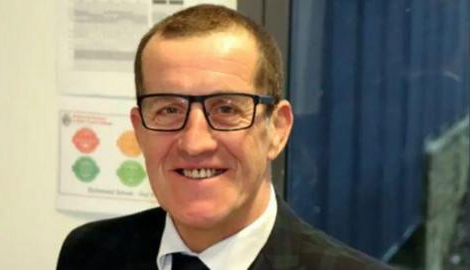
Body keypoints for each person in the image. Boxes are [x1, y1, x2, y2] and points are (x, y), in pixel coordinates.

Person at [57, 4, 394, 270]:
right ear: (140, 130)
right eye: (169, 110)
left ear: (277, 129)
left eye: (227, 109)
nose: (194, 143)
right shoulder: (90, 253)